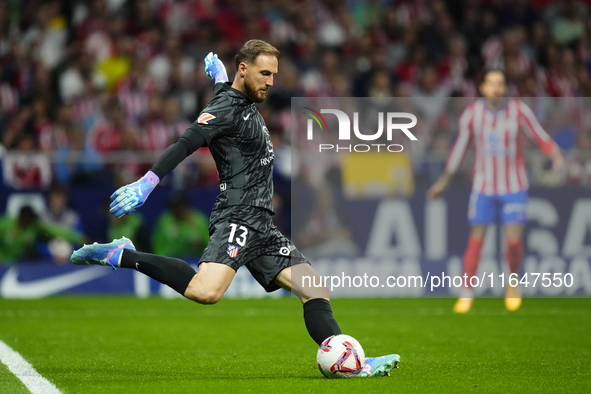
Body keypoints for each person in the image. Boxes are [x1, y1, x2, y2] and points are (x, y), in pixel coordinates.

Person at [71, 40, 399, 377]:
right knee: (206, 291)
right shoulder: (226, 107)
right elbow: (187, 141)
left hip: (261, 222)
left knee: (313, 287)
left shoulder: (236, 98)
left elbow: (228, 97)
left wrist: (220, 80)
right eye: (264, 73)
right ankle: (122, 255)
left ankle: (354, 363)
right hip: (237, 215)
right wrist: (147, 182)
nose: (271, 81)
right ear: (244, 69)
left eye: (274, 74)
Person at [426, 69, 564, 313]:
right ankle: (467, 293)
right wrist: (444, 181)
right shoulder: (473, 114)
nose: (496, 89)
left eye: (500, 84)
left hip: (514, 186)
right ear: (482, 88)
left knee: (512, 243)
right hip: (483, 187)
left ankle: (512, 284)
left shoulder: (519, 111)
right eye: (491, 84)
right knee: (476, 241)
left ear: (504, 88)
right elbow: (460, 148)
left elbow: (538, 135)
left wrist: (554, 154)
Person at [151, 191, 209, 258]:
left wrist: (200, 243)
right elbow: (157, 245)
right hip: (170, 261)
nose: (179, 209)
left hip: (195, 260)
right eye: (176, 206)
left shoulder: (199, 220)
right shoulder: (165, 220)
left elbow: (210, 243)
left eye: (182, 206)